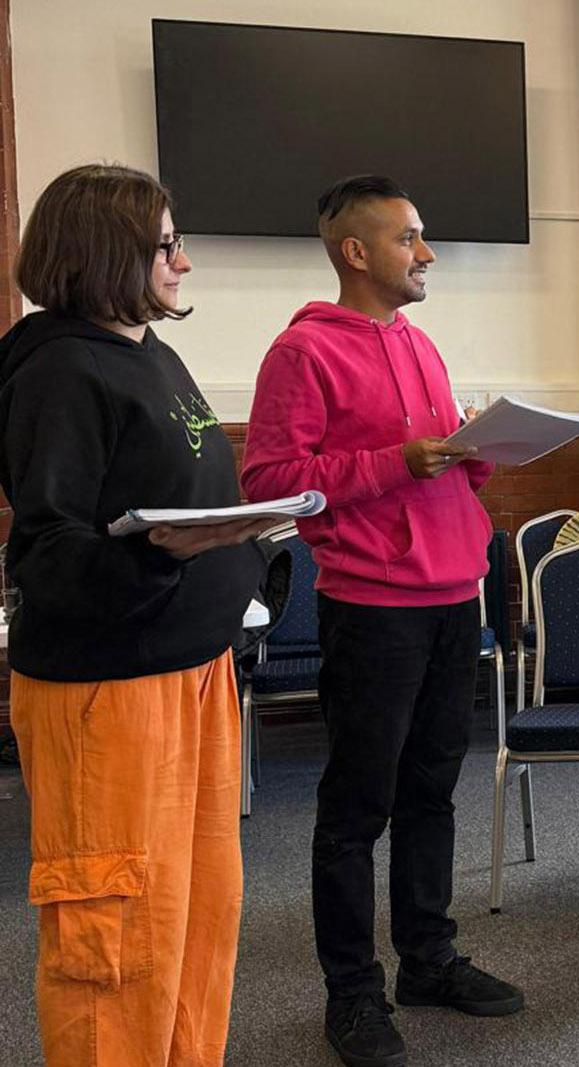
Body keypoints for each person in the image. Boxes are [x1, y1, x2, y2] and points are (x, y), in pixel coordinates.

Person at [241, 175, 522, 1067]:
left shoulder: (424, 345)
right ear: (356, 251)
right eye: (411, 238)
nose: (427, 253)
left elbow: (435, 463)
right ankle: (353, 993)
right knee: (355, 809)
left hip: (453, 595)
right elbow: (272, 484)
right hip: (371, 606)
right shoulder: (302, 353)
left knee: (432, 792)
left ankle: (428, 961)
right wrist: (399, 461)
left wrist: (477, 454)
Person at [0, 163, 271, 1066]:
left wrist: (249, 537)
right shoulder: (58, 370)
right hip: (107, 701)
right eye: (166, 245)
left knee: (194, 918)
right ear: (107, 251)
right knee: (114, 943)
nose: (184, 262)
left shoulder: (148, 350)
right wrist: (161, 552)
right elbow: (48, 552)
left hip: (194, 674)